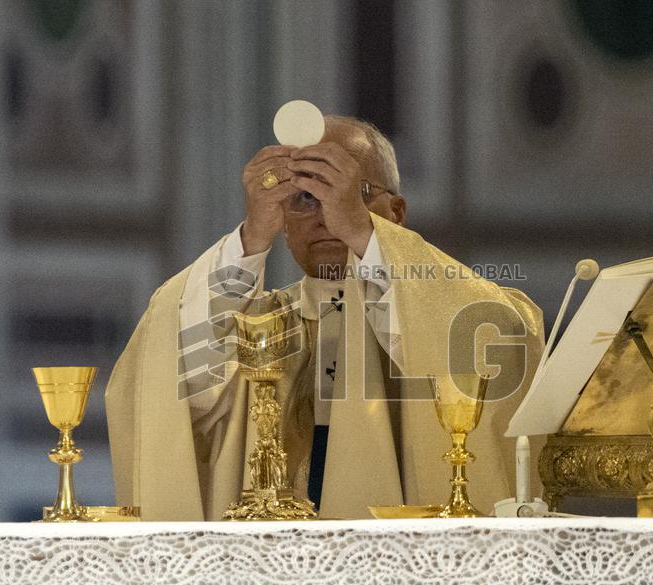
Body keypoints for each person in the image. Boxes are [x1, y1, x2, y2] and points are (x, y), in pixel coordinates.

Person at [105, 115, 544, 520]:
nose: (324, 214)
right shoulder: (257, 326)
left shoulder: (471, 306)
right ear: (284, 222)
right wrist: (252, 238)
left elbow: (495, 334)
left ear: (397, 214)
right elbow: (168, 372)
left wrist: (361, 231)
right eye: (304, 199)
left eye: (352, 192)